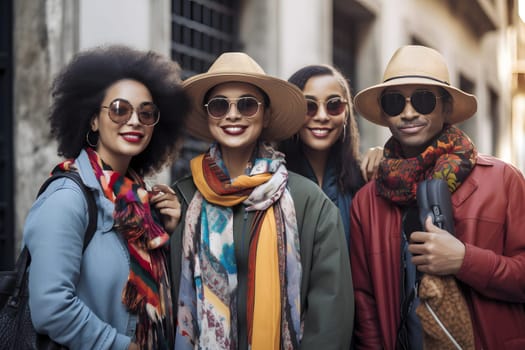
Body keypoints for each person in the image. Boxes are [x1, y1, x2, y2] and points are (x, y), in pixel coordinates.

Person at [170, 52, 353, 350]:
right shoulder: (183, 198)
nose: (233, 114)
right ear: (208, 116)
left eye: (247, 104)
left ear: (266, 115)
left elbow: (330, 318)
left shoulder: (309, 202)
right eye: (219, 105)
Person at [350, 44, 525, 349]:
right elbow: (365, 302)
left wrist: (464, 260)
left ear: (445, 107)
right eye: (394, 102)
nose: (408, 112)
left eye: (423, 99)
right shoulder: (367, 201)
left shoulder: (503, 180)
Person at [23, 45, 189, 349]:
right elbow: (51, 307)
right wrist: (120, 346)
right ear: (93, 120)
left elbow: (164, 305)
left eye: (146, 112)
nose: (135, 120)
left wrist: (169, 233)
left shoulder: (142, 203)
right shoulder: (67, 199)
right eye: (119, 109)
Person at [280, 64, 382, 246]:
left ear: (347, 113)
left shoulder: (365, 179)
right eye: (309, 106)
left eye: (334, 105)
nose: (322, 116)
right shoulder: (272, 182)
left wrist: (390, 157)